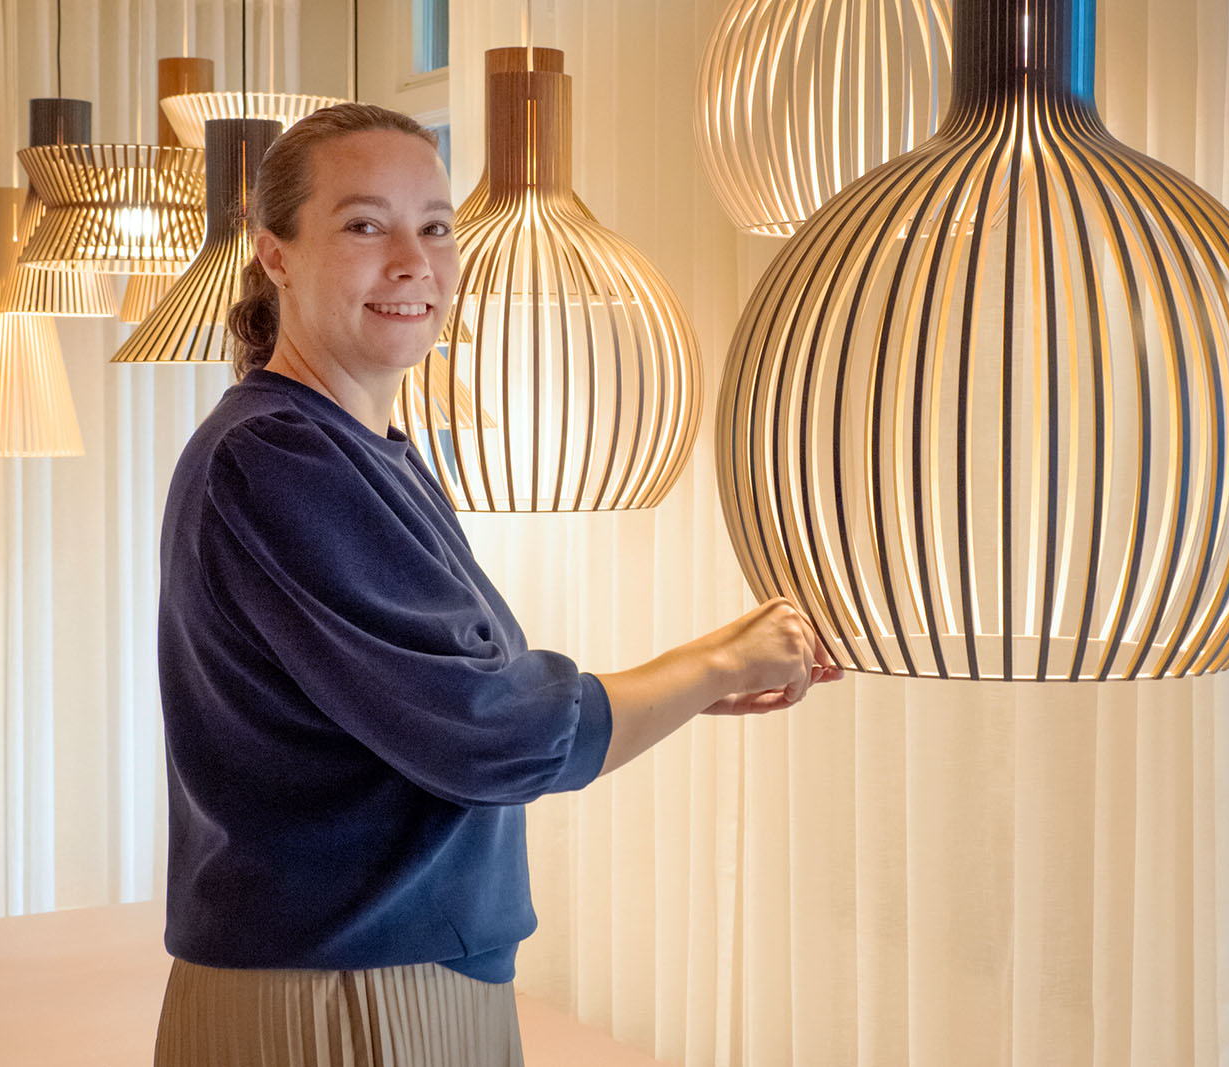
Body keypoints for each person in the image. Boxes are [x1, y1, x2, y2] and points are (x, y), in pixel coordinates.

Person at [152, 101, 843, 1066]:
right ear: (274, 254)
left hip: (381, 973)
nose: (413, 260)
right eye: (364, 225)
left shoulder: (358, 451)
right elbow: (494, 733)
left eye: (435, 226)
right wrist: (717, 660)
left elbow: (460, 708)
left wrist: (696, 684)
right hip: (348, 993)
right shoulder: (280, 456)